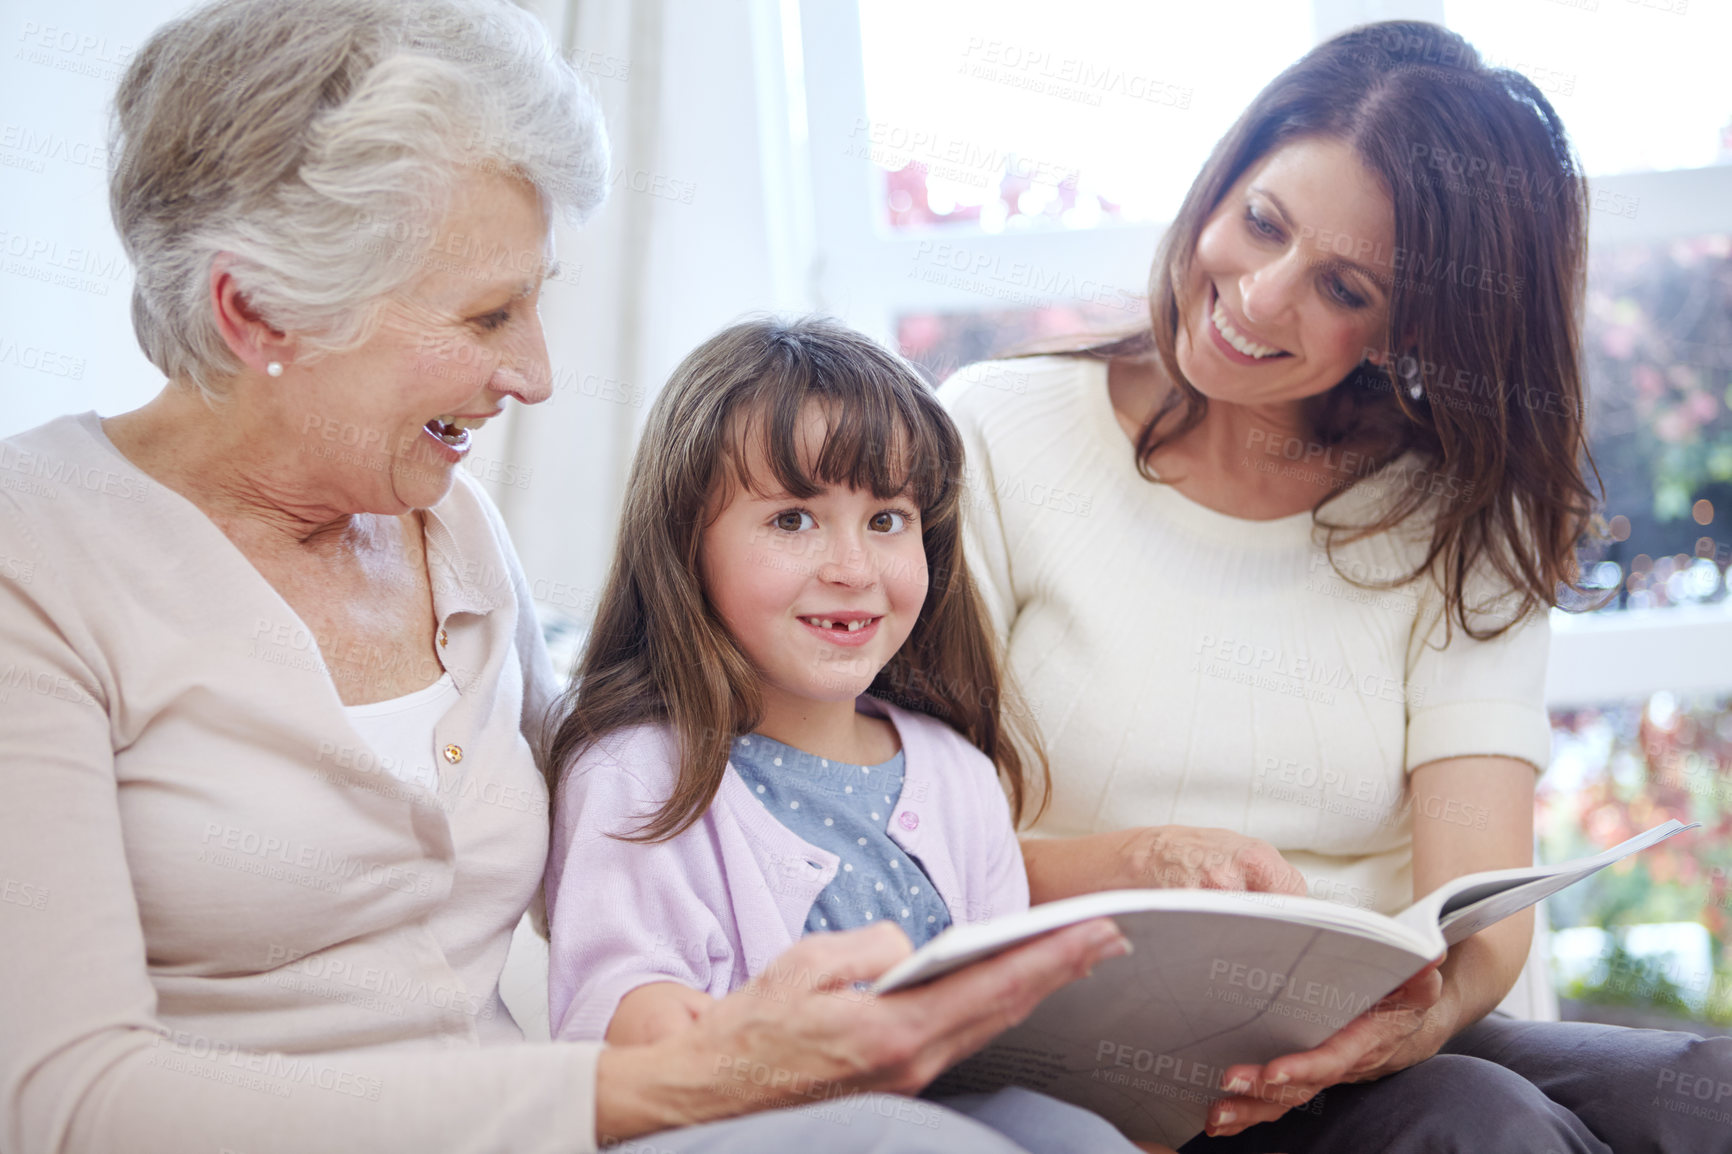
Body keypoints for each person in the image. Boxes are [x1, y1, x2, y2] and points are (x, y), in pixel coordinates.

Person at [0, 3, 1129, 1152]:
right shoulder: (33, 554)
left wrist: (1110, 885)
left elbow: (657, 816)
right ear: (257, 312)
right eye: (489, 313)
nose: (535, 373)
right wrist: (671, 1083)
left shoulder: (449, 522)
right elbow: (68, 1101)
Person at [937, 19, 1730, 1154]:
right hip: (1067, 1047)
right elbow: (912, 845)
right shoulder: (997, 432)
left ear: (1411, 324)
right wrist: (1141, 859)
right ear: (1225, 175)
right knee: (1483, 1121)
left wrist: (1418, 1020)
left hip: (1350, 1050)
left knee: (1702, 1091)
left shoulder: (1459, 506)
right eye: (1261, 221)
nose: (1259, 297)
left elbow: (1480, 907)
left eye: (1339, 286)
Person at [540, 316, 1149, 1154]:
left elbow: (1000, 1032)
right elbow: (622, 1015)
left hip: (939, 1120)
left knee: (1083, 1138)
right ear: (686, 544)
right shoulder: (636, 773)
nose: (853, 568)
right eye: (793, 520)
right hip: (720, 1132)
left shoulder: (956, 773)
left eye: (888, 520)